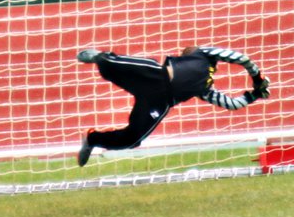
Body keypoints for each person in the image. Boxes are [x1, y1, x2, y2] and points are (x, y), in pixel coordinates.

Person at [75, 46, 271, 166]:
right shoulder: (202, 57)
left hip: (159, 103)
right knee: (109, 64)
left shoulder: (204, 84)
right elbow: (239, 61)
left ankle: (92, 139)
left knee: (133, 139)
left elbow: (233, 102)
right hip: (154, 75)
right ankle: (99, 57)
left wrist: (255, 91)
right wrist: (256, 79)